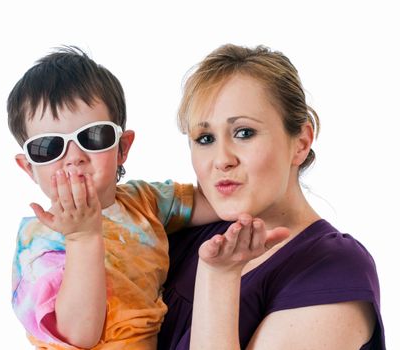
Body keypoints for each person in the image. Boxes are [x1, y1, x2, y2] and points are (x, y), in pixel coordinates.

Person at [157, 44, 386, 349]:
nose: (221, 159)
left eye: (244, 133)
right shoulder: (177, 235)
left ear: (301, 143)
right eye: (205, 138)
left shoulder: (334, 269)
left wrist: (219, 277)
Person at [7, 47, 228, 349]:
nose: (74, 158)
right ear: (29, 167)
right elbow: (80, 334)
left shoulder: (144, 201)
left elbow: (220, 203)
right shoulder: (41, 242)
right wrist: (83, 238)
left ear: (122, 148)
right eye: (48, 147)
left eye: (93, 136)